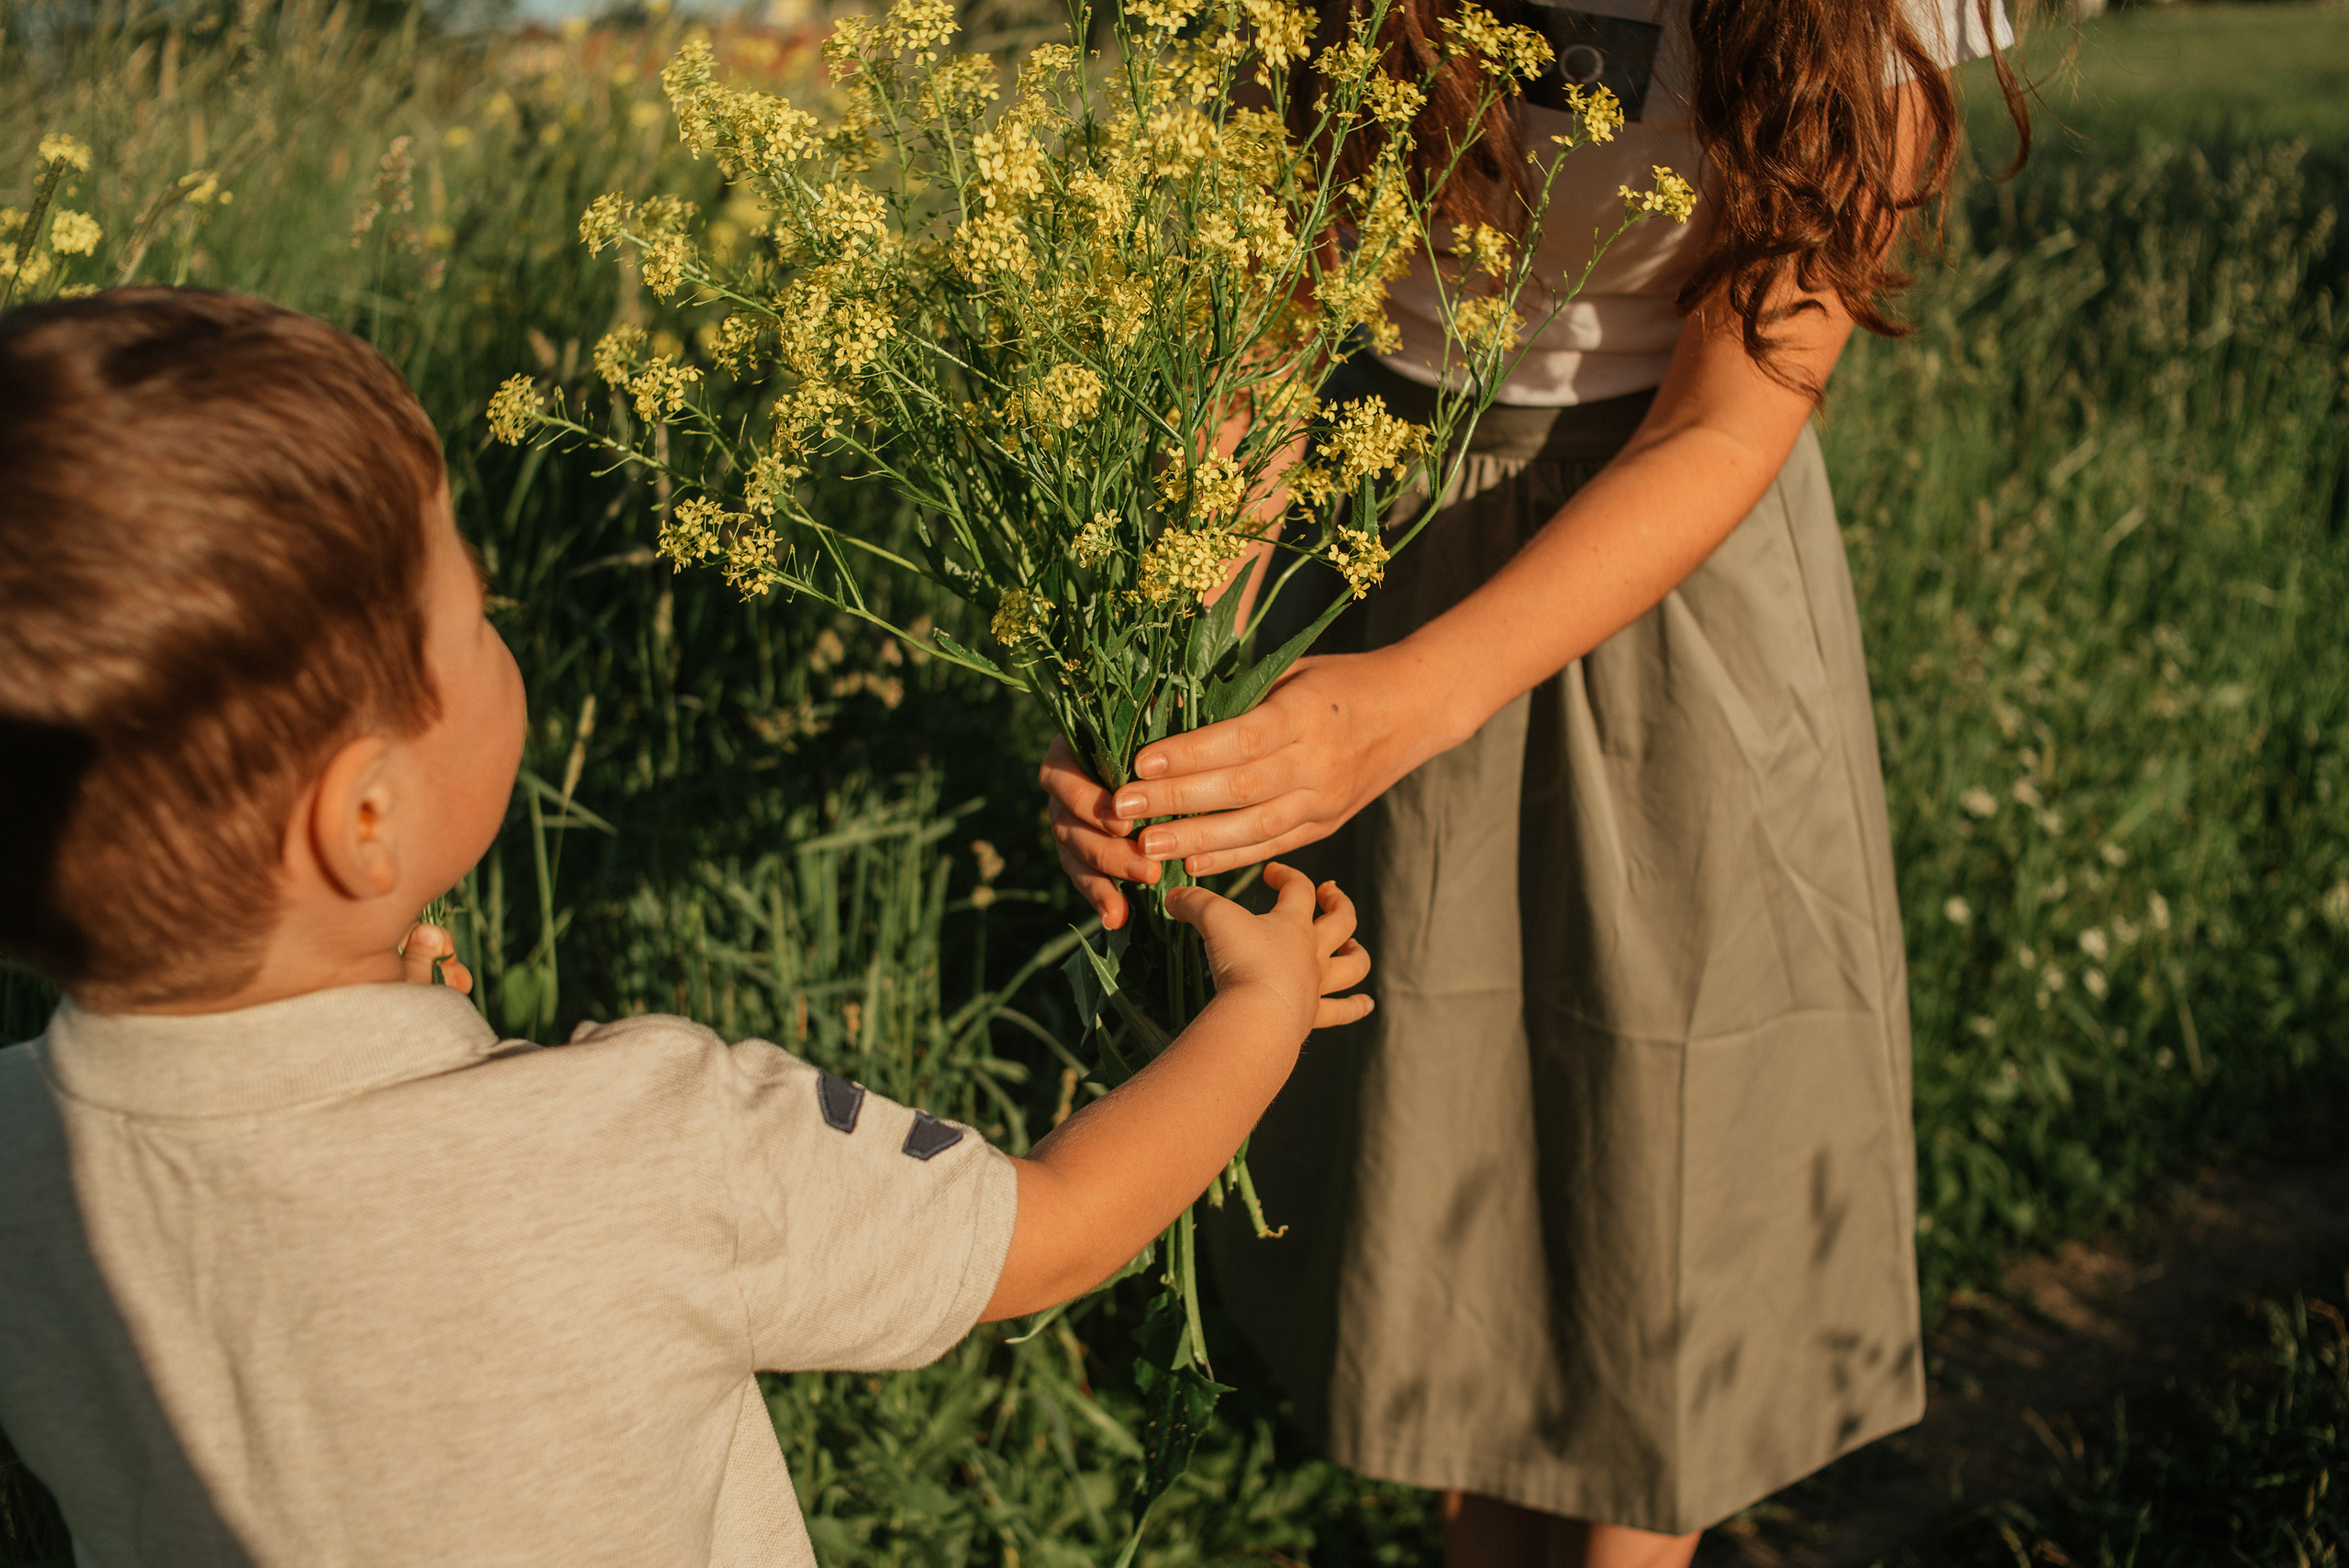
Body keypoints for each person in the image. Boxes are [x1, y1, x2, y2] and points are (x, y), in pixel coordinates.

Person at [0, 287, 1372, 1566]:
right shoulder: (639, 1142)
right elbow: (1058, 1228)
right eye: (473, 619)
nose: (501, 636)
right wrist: (1262, 1010)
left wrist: (349, 986)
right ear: (365, 827)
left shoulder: (23, 1157)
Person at [1041, 3, 2029, 1562]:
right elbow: (1273, 335)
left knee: (1658, 1194)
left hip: (1658, 581)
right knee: (1453, 1203)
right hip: (1371, 543)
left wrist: (1402, 706)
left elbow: (1724, 420)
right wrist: (1165, 690)